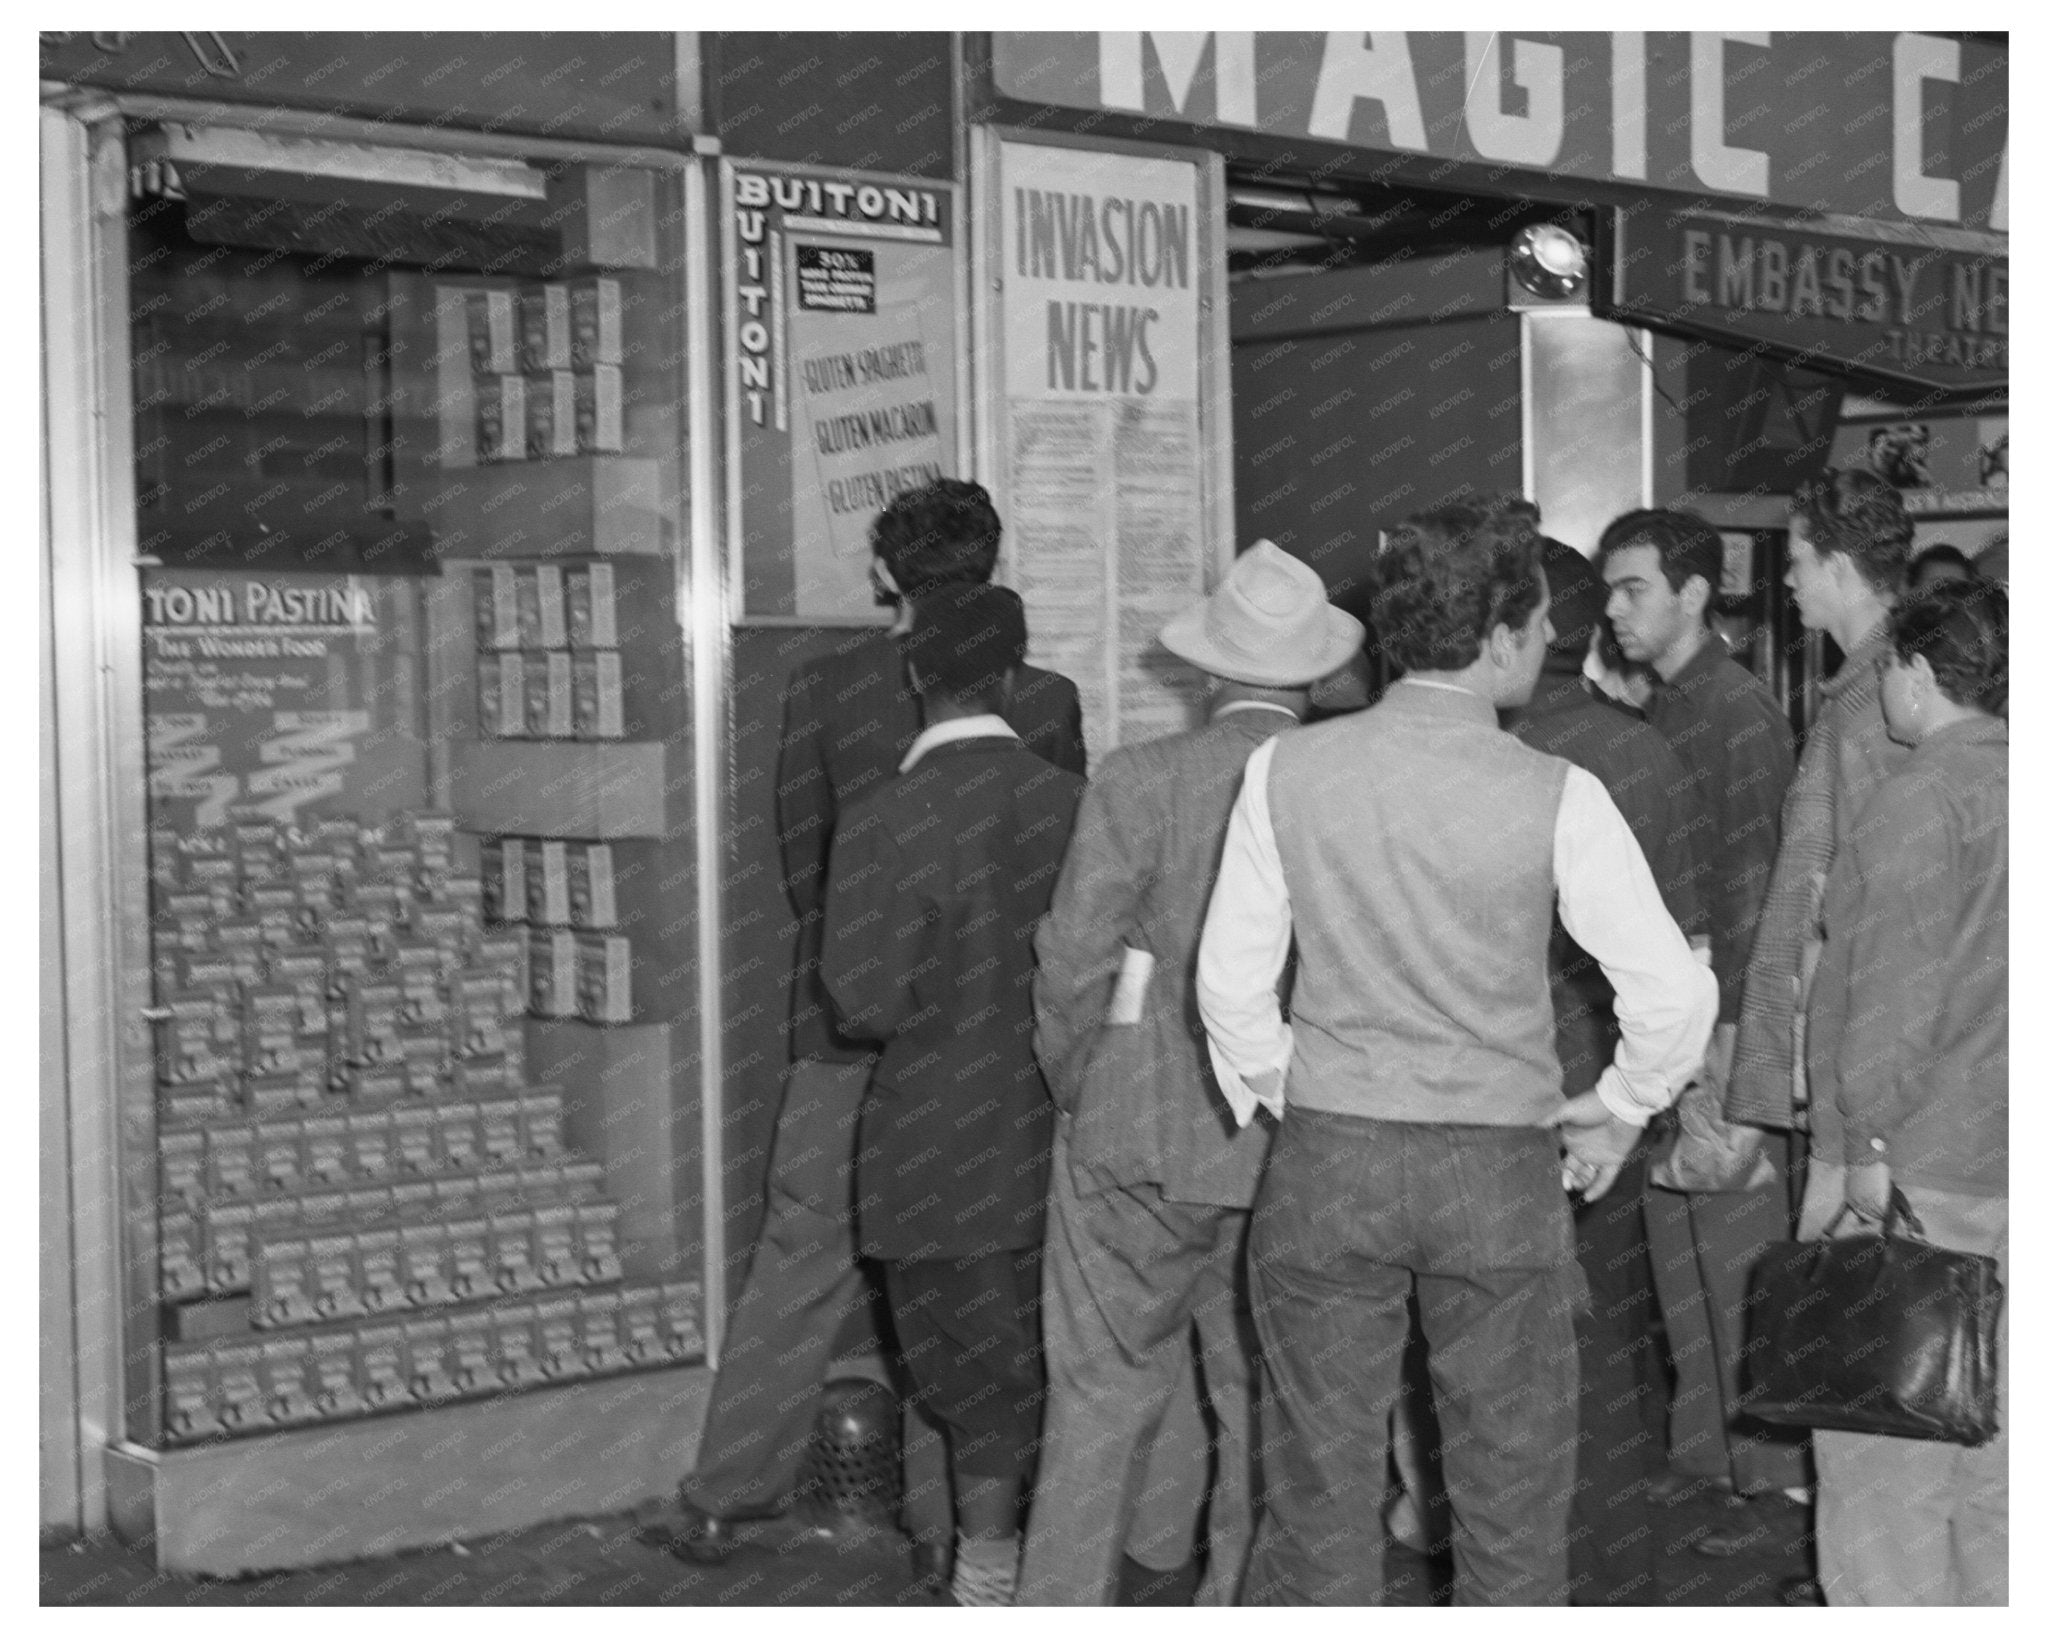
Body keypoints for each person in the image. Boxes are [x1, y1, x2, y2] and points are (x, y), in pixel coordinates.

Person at [1199, 505, 1716, 1605]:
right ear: (1496, 637)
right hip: (1494, 1169)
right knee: (1510, 1503)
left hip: (1328, 1161)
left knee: (1317, 1495)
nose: (1542, 642)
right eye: (1533, 622)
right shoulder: (1554, 793)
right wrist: (1621, 1106)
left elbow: (1228, 988)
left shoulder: (1285, 770)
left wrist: (1293, 1092)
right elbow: (1669, 992)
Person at [672, 480, 1084, 1565]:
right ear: (994, 568)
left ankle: (723, 1496)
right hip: (990, 1052)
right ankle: (950, 1533)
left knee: (801, 1252)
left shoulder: (822, 689)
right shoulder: (1042, 698)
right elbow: (1062, 895)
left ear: (886, 579)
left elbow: (803, 866)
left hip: (844, 1032)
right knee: (979, 1280)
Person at [1020, 542, 1363, 1606]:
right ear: (1309, 676)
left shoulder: (1136, 781)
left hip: (1133, 1135)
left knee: (1094, 1400)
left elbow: (1073, 960)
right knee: (1263, 1403)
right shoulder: (1347, 787)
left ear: (1209, 670)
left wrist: (1079, 1082)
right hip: (1293, 1141)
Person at [822, 581, 1086, 1606]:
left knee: (968, 1387)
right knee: (1057, 1372)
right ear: (1015, 678)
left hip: (931, 1150)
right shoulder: (1070, 800)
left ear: (912, 674)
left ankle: (981, 1572)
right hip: (1059, 1138)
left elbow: (864, 1002)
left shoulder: (885, 816)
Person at [1503, 533, 1708, 1605]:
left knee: (1506, 1364)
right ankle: (1616, 1577)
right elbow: (1688, 948)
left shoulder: (1494, 754)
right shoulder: (1639, 750)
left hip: (1503, 1100)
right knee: (1612, 1345)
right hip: (1615, 1095)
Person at [1797, 579, 2007, 1605]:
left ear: (1917, 675)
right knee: (2000, 1475)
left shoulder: (1919, 798)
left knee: (1885, 1473)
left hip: (1922, 1180)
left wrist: (1864, 1161)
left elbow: (1886, 999)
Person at [1597, 510, 1803, 1506]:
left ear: (1691, 591)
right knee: (1680, 1264)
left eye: (1631, 587)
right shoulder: (1666, 707)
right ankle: (1704, 1463)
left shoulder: (1736, 712)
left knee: (1730, 1270)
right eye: (1605, 588)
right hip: (1671, 1021)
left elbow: (1760, 890)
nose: (1612, 607)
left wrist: (1731, 1047)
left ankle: (1758, 1484)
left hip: (1719, 1025)